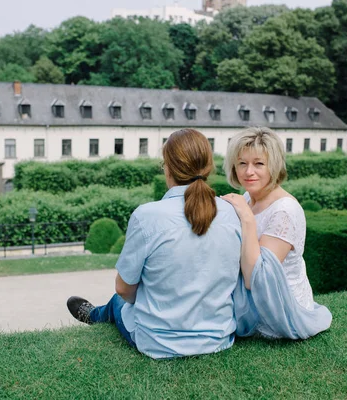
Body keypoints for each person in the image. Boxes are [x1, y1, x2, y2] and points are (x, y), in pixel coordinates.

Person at [67, 128, 242, 359]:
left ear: (167, 168)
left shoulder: (147, 216)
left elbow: (124, 289)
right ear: (208, 167)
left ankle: (97, 315)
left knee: (118, 300)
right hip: (218, 338)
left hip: (160, 342)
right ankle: (98, 313)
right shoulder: (231, 212)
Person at [221, 127, 332, 339]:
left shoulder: (285, 211)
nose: (248, 171)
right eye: (242, 163)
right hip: (251, 297)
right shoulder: (246, 198)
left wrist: (246, 218)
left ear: (274, 165)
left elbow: (256, 279)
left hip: (279, 307)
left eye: (258, 163)